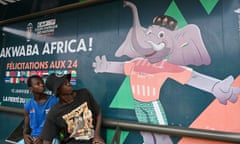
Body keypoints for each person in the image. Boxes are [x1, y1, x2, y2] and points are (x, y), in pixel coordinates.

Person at [40, 73, 105, 144]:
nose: (69, 84)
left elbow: (98, 112)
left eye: (68, 81)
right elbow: (46, 141)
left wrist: (97, 135)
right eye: (65, 83)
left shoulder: (84, 94)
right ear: (58, 90)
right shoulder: (54, 113)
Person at [23, 75, 59, 144]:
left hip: (51, 138)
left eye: (42, 82)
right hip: (34, 139)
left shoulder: (54, 101)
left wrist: (42, 138)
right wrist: (25, 136)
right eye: (38, 84)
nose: (42, 85)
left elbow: (57, 125)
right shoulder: (28, 105)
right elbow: (26, 128)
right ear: (31, 89)